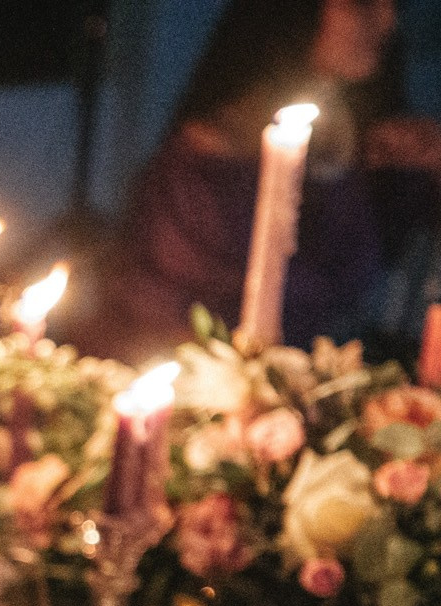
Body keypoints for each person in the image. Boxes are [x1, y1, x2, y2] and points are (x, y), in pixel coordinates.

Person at [81, 0, 441, 363]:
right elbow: (151, 325)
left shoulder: (372, 143)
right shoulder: (203, 169)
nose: (388, 21)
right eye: (361, 2)